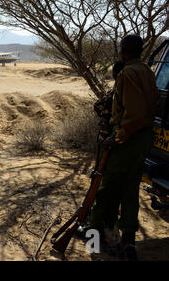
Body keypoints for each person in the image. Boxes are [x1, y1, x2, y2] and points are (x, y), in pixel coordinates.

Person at [88, 34, 159, 260]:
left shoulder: (128, 73)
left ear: (124, 51)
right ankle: (129, 241)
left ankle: (93, 238)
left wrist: (117, 137)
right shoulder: (147, 71)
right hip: (143, 138)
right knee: (130, 190)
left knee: (104, 187)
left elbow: (133, 113)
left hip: (128, 139)